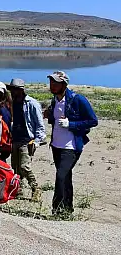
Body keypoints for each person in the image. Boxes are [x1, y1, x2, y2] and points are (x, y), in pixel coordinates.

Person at [45, 71, 98, 215]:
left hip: (71, 146)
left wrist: (71, 124)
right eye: (51, 82)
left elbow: (93, 121)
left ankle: (56, 210)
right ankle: (67, 209)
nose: (52, 85)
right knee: (66, 177)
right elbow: (55, 121)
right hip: (56, 145)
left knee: (61, 176)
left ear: (64, 84)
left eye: (56, 83)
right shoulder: (55, 100)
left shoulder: (77, 99)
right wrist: (49, 116)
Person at [6, 78, 45, 202]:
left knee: (24, 166)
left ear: (21, 90)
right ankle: (19, 190)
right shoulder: (12, 103)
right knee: (16, 167)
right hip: (15, 138)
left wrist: (37, 141)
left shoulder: (32, 103)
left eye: (14, 90)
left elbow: (39, 124)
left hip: (27, 139)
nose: (12, 92)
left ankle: (36, 188)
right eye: (11, 89)